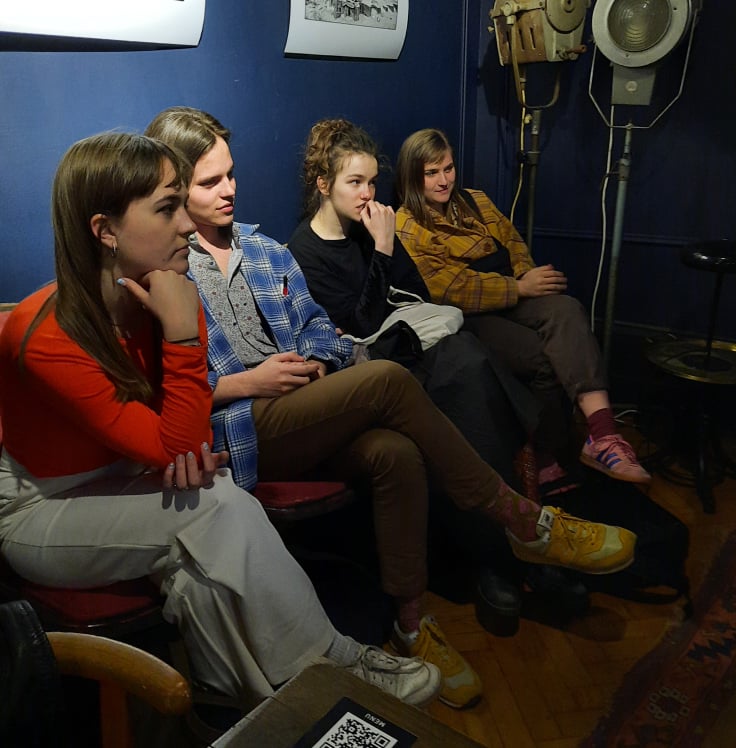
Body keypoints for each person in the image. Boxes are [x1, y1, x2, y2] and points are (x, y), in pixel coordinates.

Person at [145, 106, 637, 710]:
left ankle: (410, 625)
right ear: (174, 186)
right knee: (386, 378)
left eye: (231, 174)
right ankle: (523, 520)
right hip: (239, 427)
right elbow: (160, 390)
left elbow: (323, 329)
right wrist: (250, 381)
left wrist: (315, 360)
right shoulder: (165, 266)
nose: (229, 189)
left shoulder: (264, 249)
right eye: (209, 181)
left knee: (396, 451)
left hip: (304, 405)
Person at [0, 132, 444, 712]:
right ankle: (337, 665)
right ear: (105, 230)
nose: (188, 225)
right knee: (219, 505)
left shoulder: (167, 295)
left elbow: (180, 438)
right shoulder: (41, 334)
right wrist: (182, 343)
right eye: (168, 208)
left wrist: (176, 447)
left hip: (125, 474)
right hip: (39, 507)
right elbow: (174, 440)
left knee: (200, 571)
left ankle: (243, 713)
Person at [287, 116, 591, 636]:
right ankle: (504, 553)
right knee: (466, 381)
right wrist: (383, 251)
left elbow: (417, 293)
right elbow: (358, 325)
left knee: (473, 365)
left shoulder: (370, 228)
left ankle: (511, 546)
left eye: (372, 182)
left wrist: (385, 262)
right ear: (323, 184)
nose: (367, 194)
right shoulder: (305, 251)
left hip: (417, 345)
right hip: (375, 367)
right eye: (354, 182)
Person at [395, 128, 652, 486]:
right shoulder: (407, 223)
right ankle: (544, 453)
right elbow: (448, 288)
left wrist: (526, 277)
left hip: (511, 292)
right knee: (542, 357)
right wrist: (519, 287)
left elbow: (512, 243)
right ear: (412, 175)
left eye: (448, 168)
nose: (444, 180)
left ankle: (603, 435)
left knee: (566, 308)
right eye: (431, 173)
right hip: (468, 315)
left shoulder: (474, 200)